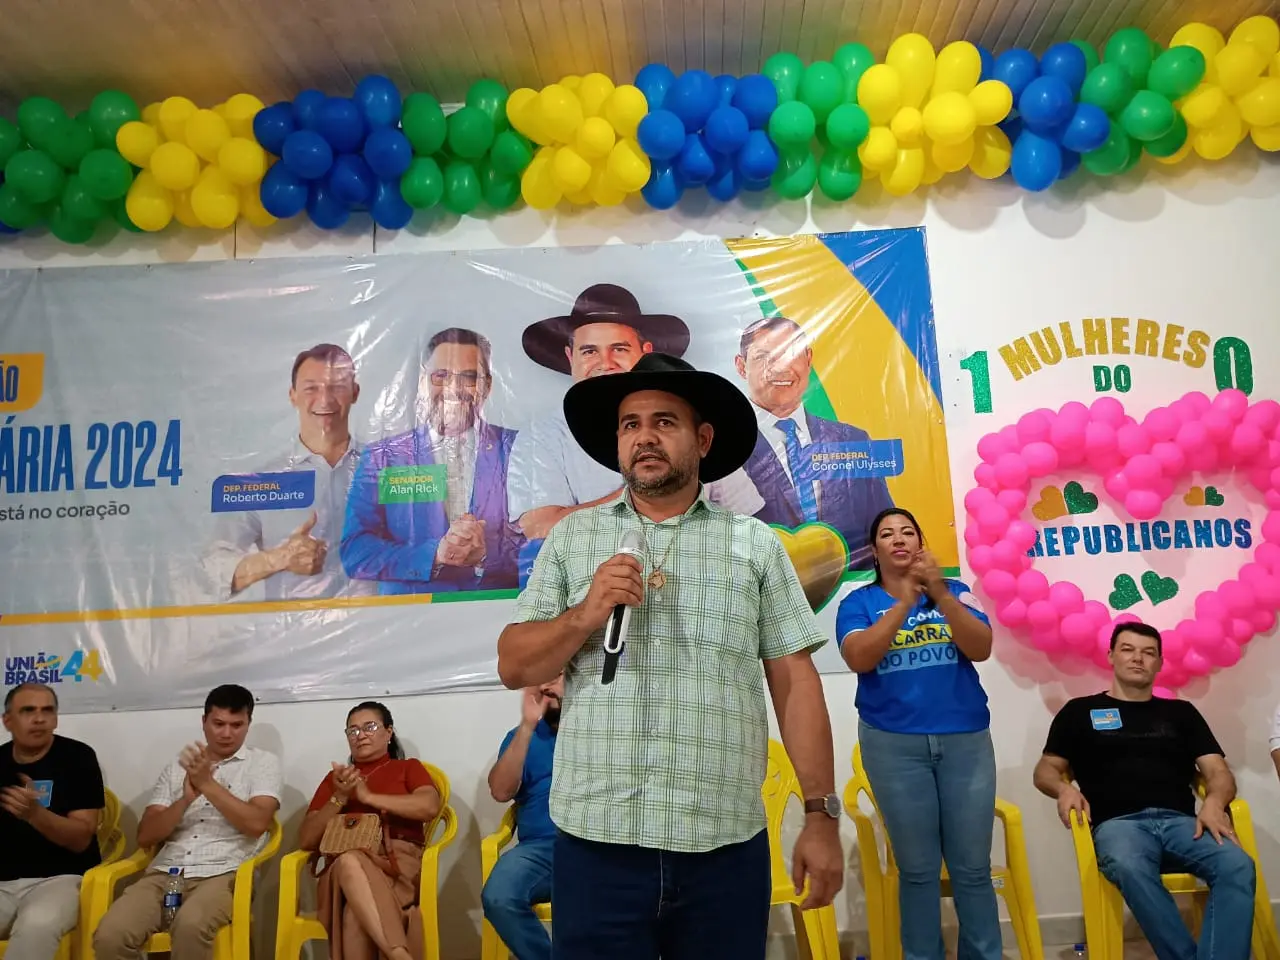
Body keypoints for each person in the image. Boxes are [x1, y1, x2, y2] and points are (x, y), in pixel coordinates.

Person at [497, 352, 843, 960]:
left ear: (703, 440)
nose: (644, 437)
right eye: (630, 424)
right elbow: (514, 665)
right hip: (598, 843)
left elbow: (795, 682)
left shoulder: (752, 544)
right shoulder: (574, 538)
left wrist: (820, 815)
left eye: (664, 422)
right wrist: (585, 614)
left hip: (722, 842)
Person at [1033, 622, 1256, 960]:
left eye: (1148, 652)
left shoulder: (1181, 713)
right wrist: (1062, 789)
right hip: (1119, 826)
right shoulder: (1079, 712)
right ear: (1111, 656)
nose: (1138, 658)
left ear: (1159, 663)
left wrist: (1214, 802)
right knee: (1128, 864)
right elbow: (1045, 770)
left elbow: (1218, 772)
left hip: (1183, 824)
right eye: (1128, 649)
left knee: (1237, 864)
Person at [835, 508, 1000, 960]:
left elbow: (981, 647)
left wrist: (939, 594)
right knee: (919, 870)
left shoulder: (957, 593)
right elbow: (859, 657)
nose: (899, 538)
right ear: (875, 550)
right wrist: (904, 604)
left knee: (972, 869)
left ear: (920, 543)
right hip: (893, 746)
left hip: (965, 742)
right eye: (887, 533)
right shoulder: (858, 603)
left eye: (908, 531)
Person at [93, 684, 281, 960]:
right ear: (204, 722)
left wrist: (207, 784)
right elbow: (145, 836)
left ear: (248, 724)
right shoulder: (177, 769)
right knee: (110, 935)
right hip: (165, 873)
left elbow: (256, 824)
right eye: (218, 724)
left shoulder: (262, 763)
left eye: (236, 725)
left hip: (224, 874)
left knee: (190, 926)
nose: (226, 733)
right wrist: (184, 801)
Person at [507, 284, 691, 541]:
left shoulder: (691, 423)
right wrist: (642, 494)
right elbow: (540, 528)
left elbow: (744, 512)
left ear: (646, 353)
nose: (605, 363)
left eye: (619, 349)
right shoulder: (541, 435)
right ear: (570, 357)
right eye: (590, 351)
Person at [708, 316, 894, 571]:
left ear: (808, 358)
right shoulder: (721, 445)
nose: (779, 368)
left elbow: (884, 526)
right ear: (741, 366)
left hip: (851, 587)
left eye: (790, 354)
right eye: (763, 357)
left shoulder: (852, 440)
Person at [342, 327, 520, 593]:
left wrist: (486, 555)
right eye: (441, 375)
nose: (454, 389)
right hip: (411, 613)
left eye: (469, 377)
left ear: (488, 385)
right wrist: (435, 555)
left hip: (500, 609)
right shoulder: (384, 457)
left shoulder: (518, 448)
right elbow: (355, 552)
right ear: (423, 381)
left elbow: (544, 538)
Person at [204, 343, 376, 601]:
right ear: (292, 395)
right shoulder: (263, 481)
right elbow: (211, 569)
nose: (325, 399)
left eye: (337, 387)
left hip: (382, 622)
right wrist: (279, 558)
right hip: (294, 626)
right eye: (311, 388)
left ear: (355, 392)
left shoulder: (386, 469)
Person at [298, 701, 442, 960]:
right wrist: (339, 798)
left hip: (398, 865)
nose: (360, 735)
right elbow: (307, 839)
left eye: (369, 727)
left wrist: (368, 797)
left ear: (389, 733)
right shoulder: (336, 780)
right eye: (352, 730)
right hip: (341, 873)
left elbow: (429, 806)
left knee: (354, 916)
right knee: (349, 860)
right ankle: (399, 955)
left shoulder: (408, 768)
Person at [0, 683, 105, 960]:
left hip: (61, 879)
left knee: (37, 924)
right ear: (7, 721)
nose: (39, 719)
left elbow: (81, 838)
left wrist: (35, 814)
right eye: (28, 711)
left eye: (47, 711)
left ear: (56, 719)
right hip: (3, 883)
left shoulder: (78, 757)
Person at [481, 675, 563, 960]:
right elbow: (500, 791)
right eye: (541, 679)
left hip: (595, 845)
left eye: (557, 676)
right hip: (541, 849)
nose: (546, 685)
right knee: (499, 897)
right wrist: (528, 725)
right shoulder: (522, 736)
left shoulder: (601, 731)